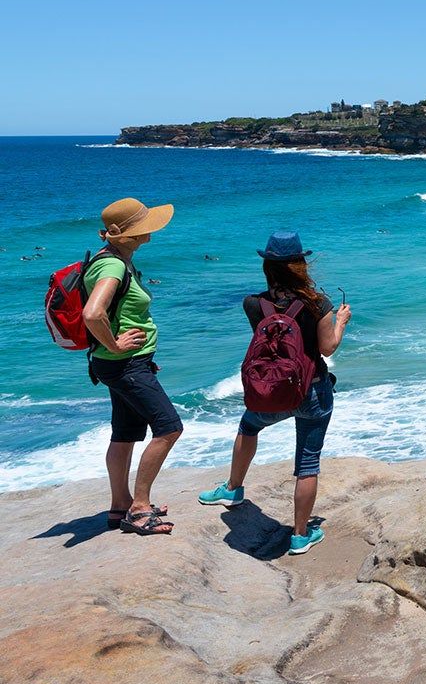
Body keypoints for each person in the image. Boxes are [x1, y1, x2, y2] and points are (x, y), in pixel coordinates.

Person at [199, 232, 350, 555]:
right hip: (312, 392)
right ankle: (299, 535)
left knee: (248, 427)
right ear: (300, 265)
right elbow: (327, 348)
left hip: (271, 391)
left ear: (267, 266)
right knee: (307, 463)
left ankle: (233, 488)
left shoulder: (254, 304)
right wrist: (340, 322)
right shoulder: (318, 303)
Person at [83, 198, 182, 535]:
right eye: (143, 228)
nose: (150, 232)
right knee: (169, 428)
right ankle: (139, 508)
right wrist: (115, 345)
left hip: (121, 364)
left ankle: (119, 506)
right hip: (123, 364)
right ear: (122, 235)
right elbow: (93, 313)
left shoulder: (110, 259)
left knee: (125, 434)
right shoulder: (112, 267)